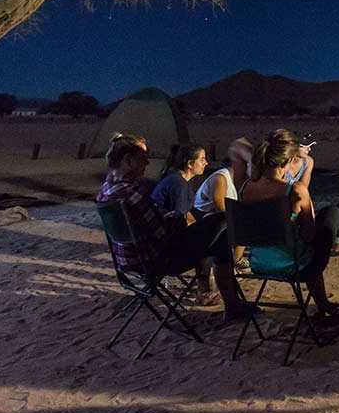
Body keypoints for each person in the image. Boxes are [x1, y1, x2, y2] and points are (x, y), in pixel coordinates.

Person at [96, 133, 248, 319]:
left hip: (128, 262)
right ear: (128, 161)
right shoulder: (132, 193)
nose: (147, 164)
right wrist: (184, 223)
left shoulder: (107, 188)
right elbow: (163, 234)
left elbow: (151, 223)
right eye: (143, 159)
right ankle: (231, 304)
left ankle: (227, 302)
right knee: (221, 221)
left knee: (217, 237)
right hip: (155, 260)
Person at [240, 129, 339, 323]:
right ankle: (323, 304)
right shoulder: (295, 191)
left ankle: (323, 303)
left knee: (308, 234)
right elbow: (309, 235)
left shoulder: (246, 188)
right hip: (295, 265)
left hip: (259, 263)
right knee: (332, 214)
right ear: (290, 159)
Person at [193, 137, 253, 269]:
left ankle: (233, 261)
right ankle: (234, 262)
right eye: (247, 164)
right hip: (204, 221)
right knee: (244, 225)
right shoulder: (221, 177)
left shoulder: (230, 179)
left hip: (213, 220)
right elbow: (220, 207)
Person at [151, 144, 207, 222]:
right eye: (202, 160)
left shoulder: (185, 181)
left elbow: (186, 212)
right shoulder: (178, 183)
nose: (206, 163)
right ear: (190, 164)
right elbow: (180, 218)